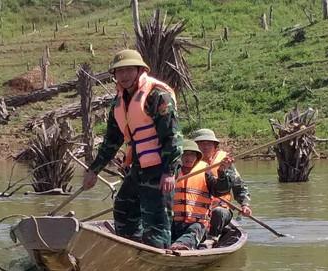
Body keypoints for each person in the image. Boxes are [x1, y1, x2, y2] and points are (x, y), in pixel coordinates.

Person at [82, 49, 182, 249]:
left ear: (139, 71)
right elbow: (111, 141)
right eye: (120, 71)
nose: (124, 75)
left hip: (161, 168)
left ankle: (157, 253)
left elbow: (172, 136)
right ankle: (131, 249)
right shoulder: (119, 102)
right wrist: (94, 170)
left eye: (129, 70)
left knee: (156, 219)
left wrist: (169, 172)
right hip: (138, 167)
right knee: (123, 207)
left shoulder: (158, 96)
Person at [191, 128, 252, 238]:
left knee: (218, 212)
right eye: (201, 143)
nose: (205, 147)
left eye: (209, 144)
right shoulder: (188, 164)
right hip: (194, 209)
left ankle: (212, 238)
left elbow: (239, 186)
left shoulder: (225, 163)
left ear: (215, 146)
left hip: (218, 209)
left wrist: (244, 205)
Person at [170, 140, 214, 250]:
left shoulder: (206, 172)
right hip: (174, 222)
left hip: (198, 224)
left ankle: (182, 245)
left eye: (192, 154)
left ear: (197, 157)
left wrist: (222, 173)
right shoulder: (171, 172)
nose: (188, 158)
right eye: (185, 154)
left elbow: (220, 190)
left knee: (195, 229)